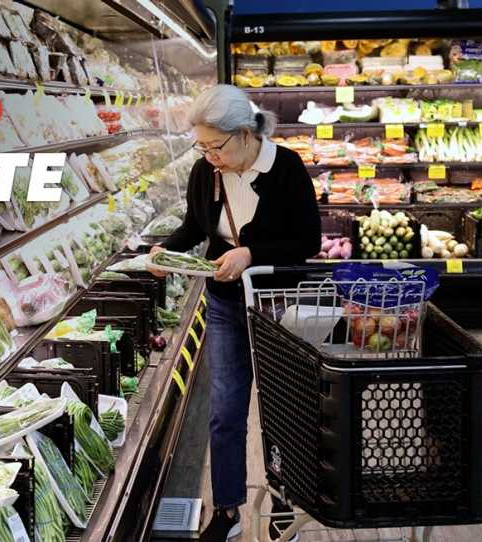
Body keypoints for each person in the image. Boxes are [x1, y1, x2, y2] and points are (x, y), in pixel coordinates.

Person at [150, 84, 321, 541]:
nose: (209, 156)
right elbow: (194, 226)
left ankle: (287, 497)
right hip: (225, 303)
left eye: (216, 146)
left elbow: (307, 244)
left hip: (279, 305)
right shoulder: (205, 173)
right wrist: (166, 250)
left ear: (245, 134)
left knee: (283, 406)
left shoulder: (286, 168)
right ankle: (226, 512)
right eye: (201, 146)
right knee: (225, 410)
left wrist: (252, 254)